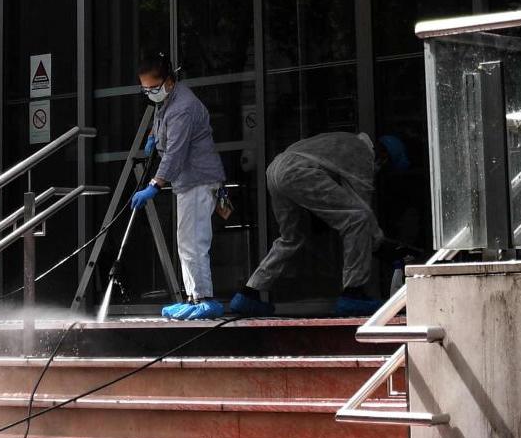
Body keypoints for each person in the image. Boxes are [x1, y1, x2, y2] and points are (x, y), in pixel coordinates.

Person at [230, 133, 411, 318]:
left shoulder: (343, 142)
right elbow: (361, 204)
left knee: (291, 238)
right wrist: (382, 245)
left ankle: (249, 294)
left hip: (276, 170)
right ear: (383, 156)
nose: (380, 170)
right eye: (385, 166)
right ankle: (353, 294)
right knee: (358, 220)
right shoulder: (363, 152)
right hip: (297, 172)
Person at [128, 53, 226, 320]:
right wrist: (152, 136)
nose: (149, 93)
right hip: (189, 181)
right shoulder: (169, 100)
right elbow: (162, 123)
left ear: (168, 81)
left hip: (198, 180)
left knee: (193, 241)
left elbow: (175, 153)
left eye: (153, 88)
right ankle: (193, 297)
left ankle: (205, 300)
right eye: (145, 89)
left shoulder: (183, 106)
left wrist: (154, 185)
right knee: (186, 241)